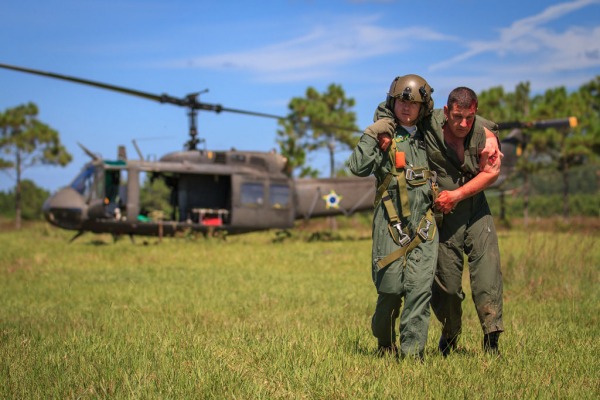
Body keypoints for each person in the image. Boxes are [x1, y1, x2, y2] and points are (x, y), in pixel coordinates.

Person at [374, 87, 504, 356]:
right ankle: (450, 335)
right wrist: (384, 131)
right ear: (446, 112)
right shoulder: (430, 121)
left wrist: (491, 135)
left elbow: (491, 173)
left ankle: (492, 342)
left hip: (475, 209)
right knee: (446, 285)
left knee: (488, 272)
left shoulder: (482, 133)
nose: (463, 124)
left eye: (469, 118)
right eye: (457, 117)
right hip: (443, 216)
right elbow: (390, 109)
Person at [348, 74, 439, 360]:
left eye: (413, 104)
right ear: (393, 101)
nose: (407, 107)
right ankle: (385, 344)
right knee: (390, 290)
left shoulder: (431, 136)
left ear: (423, 107)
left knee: (419, 290)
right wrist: (373, 132)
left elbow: (464, 121)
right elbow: (357, 167)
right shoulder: (384, 135)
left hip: (425, 226)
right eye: (401, 101)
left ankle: (412, 356)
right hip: (390, 223)